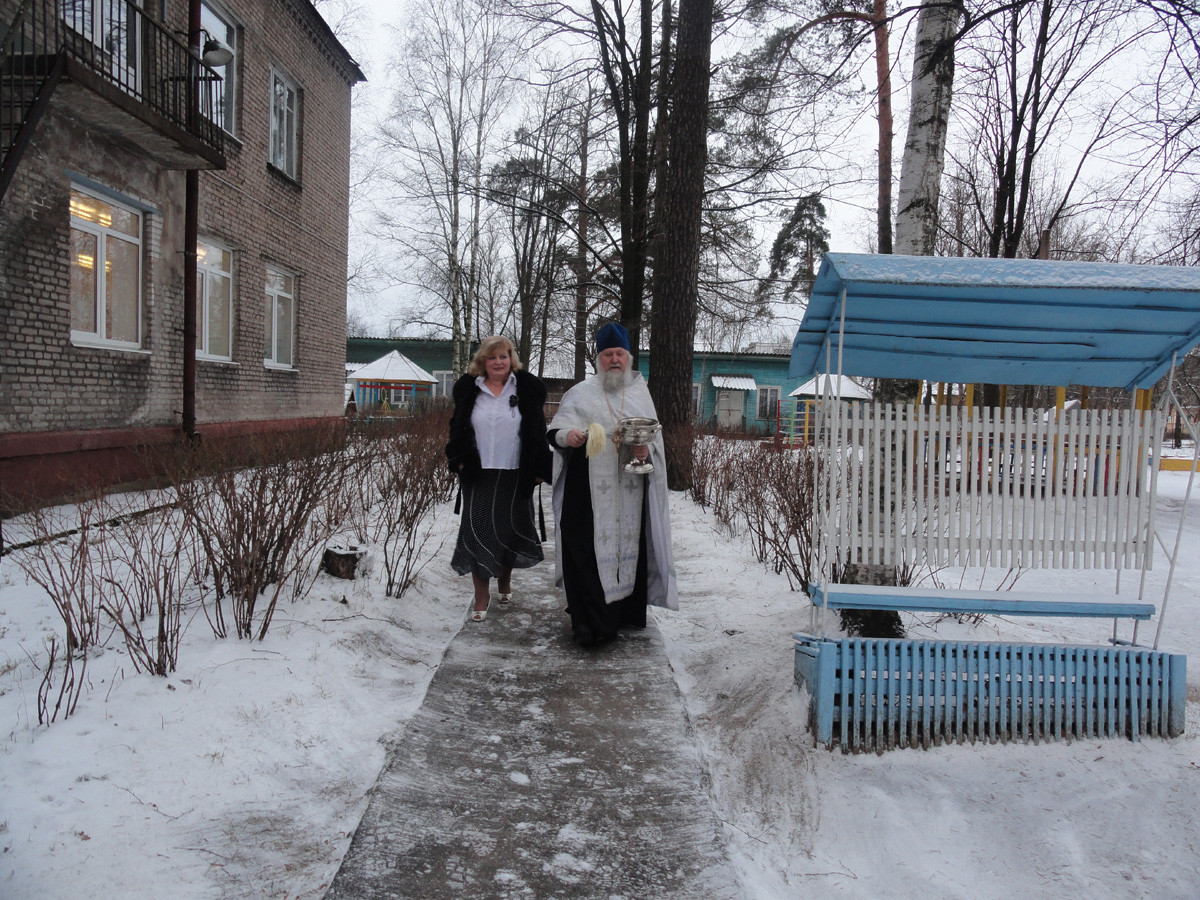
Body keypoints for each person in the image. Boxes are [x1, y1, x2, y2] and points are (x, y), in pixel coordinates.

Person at [547, 322, 678, 647]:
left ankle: (622, 616)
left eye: (620, 353)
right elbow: (556, 431)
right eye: (608, 354)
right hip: (586, 490)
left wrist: (645, 449)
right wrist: (569, 436)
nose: (615, 359)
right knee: (585, 553)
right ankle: (588, 623)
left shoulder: (640, 394)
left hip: (630, 489)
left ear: (629, 357)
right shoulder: (580, 393)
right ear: (598, 358)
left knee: (629, 549)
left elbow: (655, 442)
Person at [446, 336, 552, 622]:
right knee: (478, 530)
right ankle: (482, 595)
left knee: (508, 529)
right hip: (478, 473)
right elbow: (457, 428)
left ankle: (504, 580)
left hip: (516, 472)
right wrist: (458, 458)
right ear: (483, 361)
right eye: (491, 357)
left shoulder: (525, 390)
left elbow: (537, 430)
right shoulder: (471, 390)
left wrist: (541, 466)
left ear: (511, 359)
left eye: (503, 356)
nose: (498, 362)